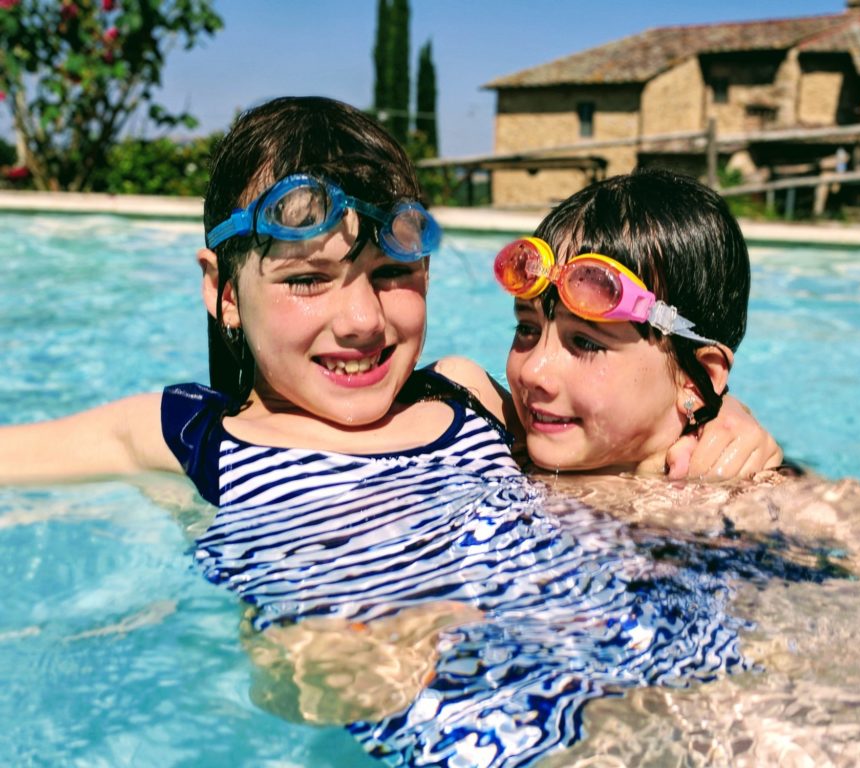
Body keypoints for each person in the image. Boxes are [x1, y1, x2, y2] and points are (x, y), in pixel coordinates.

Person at [0, 96, 779, 767]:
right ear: (223, 291)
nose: (362, 321)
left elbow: (608, 436)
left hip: (676, 682)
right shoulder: (194, 435)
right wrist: (293, 661)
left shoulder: (470, 395)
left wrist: (713, 415)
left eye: (389, 275)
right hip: (490, 738)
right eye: (305, 279)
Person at [492, 168, 770, 481]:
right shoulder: (480, 435)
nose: (532, 371)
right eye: (527, 329)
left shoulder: (748, 508)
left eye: (585, 342)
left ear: (696, 378)